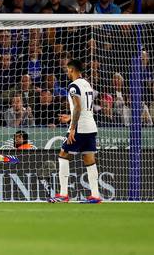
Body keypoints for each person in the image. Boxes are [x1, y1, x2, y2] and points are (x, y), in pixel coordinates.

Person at [49, 60, 101, 204]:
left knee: (63, 155)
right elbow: (85, 108)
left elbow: (78, 106)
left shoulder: (73, 86)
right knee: (89, 160)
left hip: (80, 128)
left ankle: (63, 194)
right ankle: (95, 195)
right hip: (90, 127)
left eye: (67, 69)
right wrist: (70, 116)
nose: (67, 72)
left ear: (71, 70)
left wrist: (72, 128)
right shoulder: (87, 84)